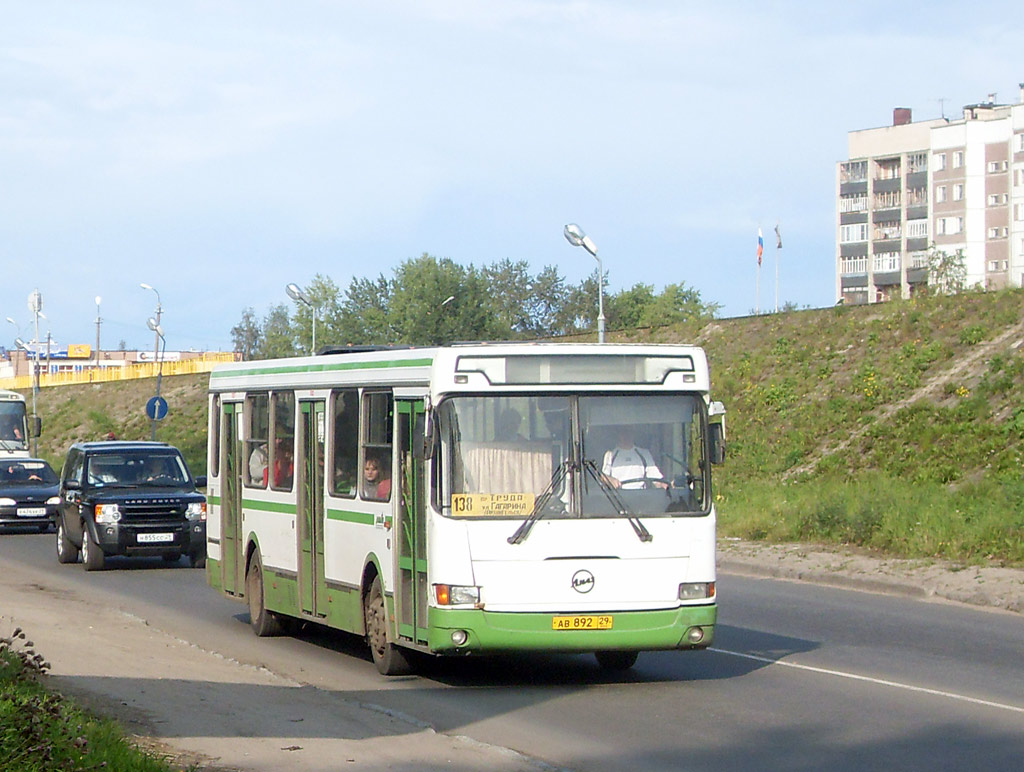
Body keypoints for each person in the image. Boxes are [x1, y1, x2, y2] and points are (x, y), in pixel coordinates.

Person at [601, 427, 666, 490]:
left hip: (641, 497)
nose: (627, 435)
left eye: (629, 431)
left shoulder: (644, 454)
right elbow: (603, 477)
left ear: (634, 433)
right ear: (619, 434)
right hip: (617, 497)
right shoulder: (610, 455)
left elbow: (656, 478)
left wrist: (665, 485)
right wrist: (610, 480)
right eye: (624, 432)